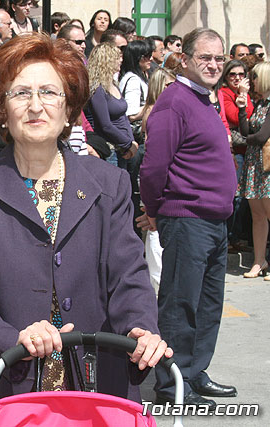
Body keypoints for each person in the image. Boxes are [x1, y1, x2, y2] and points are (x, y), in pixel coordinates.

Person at [0, 34, 172, 420]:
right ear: (1, 108)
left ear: (68, 107)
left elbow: (128, 273)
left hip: (96, 375)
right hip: (9, 378)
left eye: (49, 92)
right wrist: (11, 338)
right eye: (20, 94)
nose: (35, 106)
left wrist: (140, 328)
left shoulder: (108, 183)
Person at [139, 28, 238, 409]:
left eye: (218, 58)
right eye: (205, 57)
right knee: (180, 305)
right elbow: (153, 168)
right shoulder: (174, 102)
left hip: (215, 221)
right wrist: (156, 211)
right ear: (185, 60)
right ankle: (172, 383)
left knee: (208, 304)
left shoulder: (203, 100)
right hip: (187, 220)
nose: (214, 64)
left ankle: (195, 372)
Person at [140, 67, 176, 293]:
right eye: (168, 86)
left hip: (160, 178)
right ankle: (158, 284)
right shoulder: (155, 112)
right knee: (152, 229)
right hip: (154, 178)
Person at [237, 62, 270, 280]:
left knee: (267, 213)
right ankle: (259, 261)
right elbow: (247, 129)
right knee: (257, 216)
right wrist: (242, 108)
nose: (252, 81)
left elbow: (261, 136)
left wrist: (242, 139)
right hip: (254, 163)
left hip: (266, 164)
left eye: (255, 77)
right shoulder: (259, 103)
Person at [219, 59, 254, 258]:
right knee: (236, 197)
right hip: (235, 152)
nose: (237, 78)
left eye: (241, 74)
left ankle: (236, 236)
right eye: (233, 74)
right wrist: (242, 95)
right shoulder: (225, 94)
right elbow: (236, 117)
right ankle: (229, 237)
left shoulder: (245, 94)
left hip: (247, 152)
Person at [84, 43, 138, 164]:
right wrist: (128, 143)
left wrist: (130, 142)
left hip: (123, 148)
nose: (121, 60)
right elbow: (105, 125)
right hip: (111, 149)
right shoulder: (98, 89)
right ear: (106, 60)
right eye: (117, 57)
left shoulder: (113, 84)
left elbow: (123, 117)